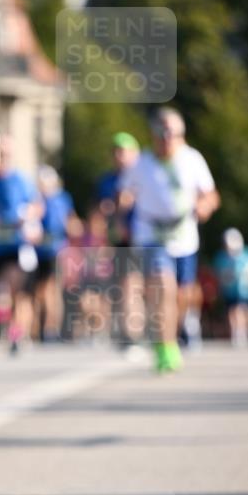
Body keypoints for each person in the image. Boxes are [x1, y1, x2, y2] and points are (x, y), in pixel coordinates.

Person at [119, 108, 218, 372]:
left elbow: (210, 194)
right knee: (164, 286)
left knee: (182, 297)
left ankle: (171, 335)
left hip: (184, 235)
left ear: (181, 135)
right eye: (161, 133)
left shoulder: (192, 159)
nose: (166, 139)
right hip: (151, 234)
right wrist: (123, 205)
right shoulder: (142, 162)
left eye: (172, 133)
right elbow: (125, 191)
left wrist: (204, 206)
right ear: (153, 135)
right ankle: (165, 347)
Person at [0, 135, 41, 353]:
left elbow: (37, 205)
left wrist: (27, 216)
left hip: (14, 245)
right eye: (0, 153)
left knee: (12, 290)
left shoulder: (21, 180)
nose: (3, 157)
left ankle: (15, 333)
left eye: (7, 153)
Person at [95, 132, 144, 351]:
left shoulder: (145, 175)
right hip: (121, 241)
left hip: (146, 238)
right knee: (125, 288)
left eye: (124, 151)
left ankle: (141, 333)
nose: (119, 156)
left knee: (139, 287)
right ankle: (130, 335)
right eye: (116, 152)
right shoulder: (108, 180)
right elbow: (101, 212)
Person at [35, 165, 74, 341]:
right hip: (41, 251)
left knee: (52, 289)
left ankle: (52, 327)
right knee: (43, 290)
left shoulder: (58, 200)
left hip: (55, 249)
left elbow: (67, 224)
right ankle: (46, 327)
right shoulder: (42, 200)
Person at [214, 228, 248, 347]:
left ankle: (243, 331)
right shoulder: (222, 257)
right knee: (233, 310)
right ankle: (237, 332)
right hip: (230, 291)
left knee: (243, 310)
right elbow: (218, 274)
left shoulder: (246, 255)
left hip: (245, 291)